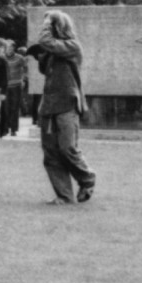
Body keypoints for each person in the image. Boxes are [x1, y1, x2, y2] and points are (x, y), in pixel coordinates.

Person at [28, 11, 96, 205]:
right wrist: (39, 55)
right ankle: (64, 196)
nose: (46, 26)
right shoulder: (53, 51)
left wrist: (47, 24)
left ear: (58, 26)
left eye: (50, 24)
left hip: (67, 103)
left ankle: (87, 178)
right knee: (50, 152)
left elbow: (47, 41)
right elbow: (45, 68)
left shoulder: (72, 46)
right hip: (49, 104)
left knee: (67, 148)